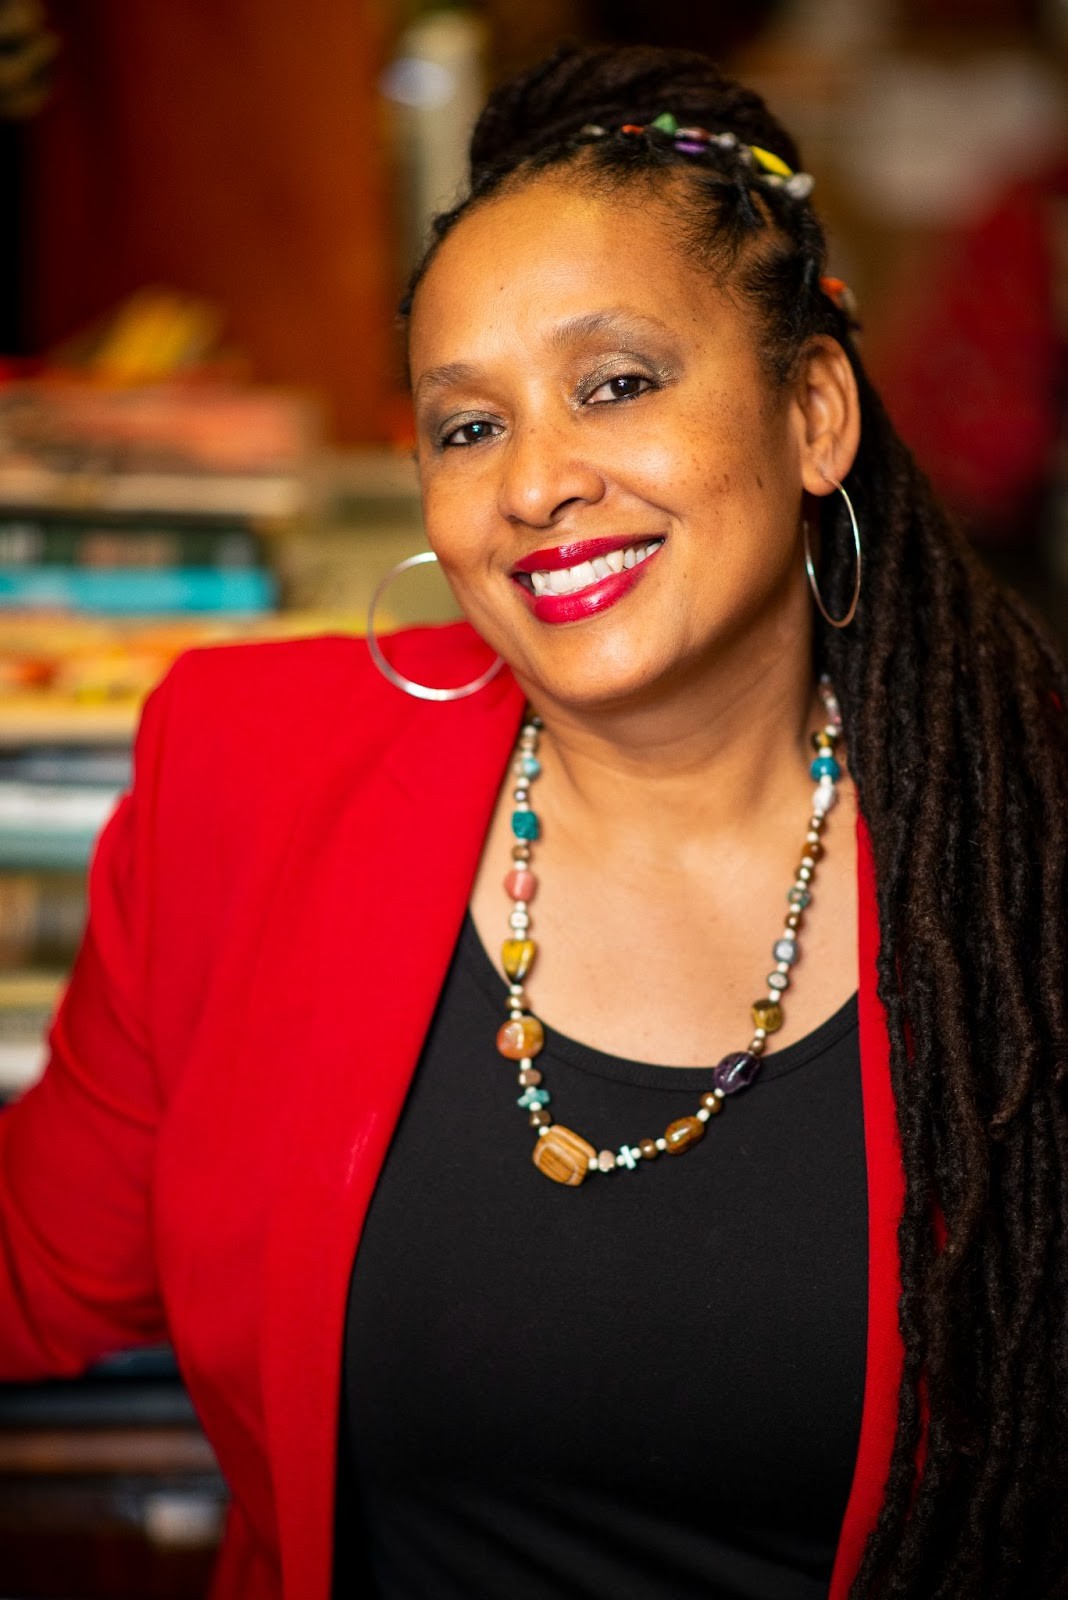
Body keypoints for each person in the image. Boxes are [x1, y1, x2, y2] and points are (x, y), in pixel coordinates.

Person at [1, 41, 1065, 1600]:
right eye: (467, 426)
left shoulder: (1019, 876)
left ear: (814, 414)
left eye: (616, 384)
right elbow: (38, 1267)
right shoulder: (247, 771)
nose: (534, 484)